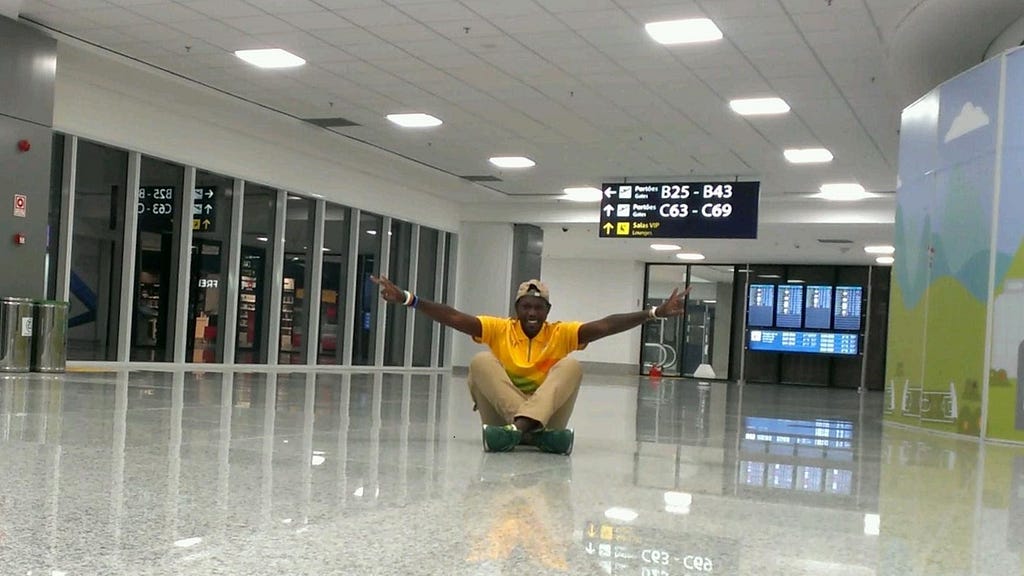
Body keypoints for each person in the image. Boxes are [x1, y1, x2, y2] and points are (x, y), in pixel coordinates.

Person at [371, 276, 690, 455]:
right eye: (526, 306)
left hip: (544, 415)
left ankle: (516, 433)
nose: (532, 312)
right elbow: (454, 317)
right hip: (507, 414)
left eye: (539, 307)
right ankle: (534, 435)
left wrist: (654, 313)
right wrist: (408, 299)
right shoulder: (498, 328)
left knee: (572, 367)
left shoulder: (562, 333)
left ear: (548, 310)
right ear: (517, 309)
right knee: (482, 361)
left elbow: (606, 325)